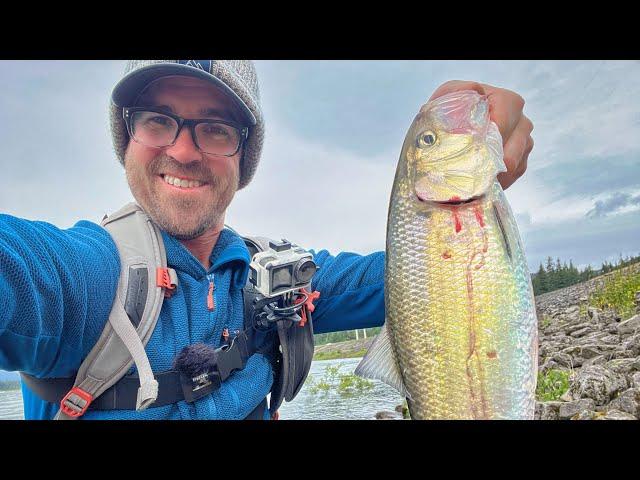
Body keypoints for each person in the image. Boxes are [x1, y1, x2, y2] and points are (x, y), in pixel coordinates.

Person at [0, 60, 534, 420]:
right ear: (128, 137)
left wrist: (469, 119)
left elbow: (422, 276)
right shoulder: (80, 275)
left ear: (243, 154)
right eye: (159, 121)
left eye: (215, 128)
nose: (184, 151)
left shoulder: (277, 279)